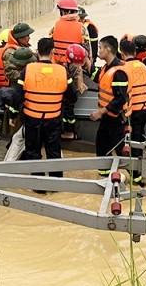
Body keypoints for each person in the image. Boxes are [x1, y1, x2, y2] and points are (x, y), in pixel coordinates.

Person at [14, 37, 76, 181]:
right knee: (53, 151)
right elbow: (72, 96)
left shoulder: (27, 70)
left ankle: (38, 185)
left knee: (33, 151)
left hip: (32, 119)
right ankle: (55, 182)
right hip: (53, 119)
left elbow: (17, 94)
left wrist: (13, 115)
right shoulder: (62, 71)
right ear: (53, 51)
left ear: (37, 52)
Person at [90, 35, 130, 178]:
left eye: (100, 48)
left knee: (121, 151)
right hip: (108, 118)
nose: (98, 51)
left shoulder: (119, 71)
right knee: (101, 146)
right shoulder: (106, 68)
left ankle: (139, 179)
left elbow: (120, 98)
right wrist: (85, 64)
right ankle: (105, 177)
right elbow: (96, 77)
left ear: (107, 49)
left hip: (116, 118)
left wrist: (101, 111)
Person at [119, 38, 146, 161]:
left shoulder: (124, 68)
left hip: (135, 109)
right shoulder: (143, 66)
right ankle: (142, 156)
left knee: (135, 138)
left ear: (122, 54)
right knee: (140, 133)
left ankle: (137, 162)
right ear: (135, 52)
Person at [49, 0, 91, 65]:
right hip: (75, 66)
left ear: (63, 12)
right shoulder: (82, 28)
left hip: (58, 66)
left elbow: (49, 47)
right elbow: (87, 51)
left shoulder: (54, 27)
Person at [61, 43, 88, 140]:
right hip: (62, 92)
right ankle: (66, 131)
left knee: (69, 112)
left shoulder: (75, 66)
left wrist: (81, 85)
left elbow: (78, 73)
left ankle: (69, 130)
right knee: (65, 113)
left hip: (70, 93)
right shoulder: (62, 66)